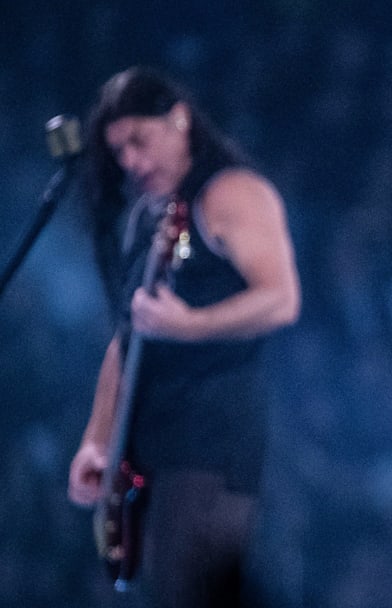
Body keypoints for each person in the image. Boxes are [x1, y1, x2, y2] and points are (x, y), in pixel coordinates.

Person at [67, 66, 301, 607]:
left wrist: (191, 325)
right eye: (118, 149)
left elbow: (281, 298)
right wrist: (96, 440)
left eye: (138, 141)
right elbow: (126, 339)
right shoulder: (147, 215)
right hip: (151, 445)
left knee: (191, 591)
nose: (130, 161)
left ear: (178, 119)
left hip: (211, 442)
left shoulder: (231, 192)